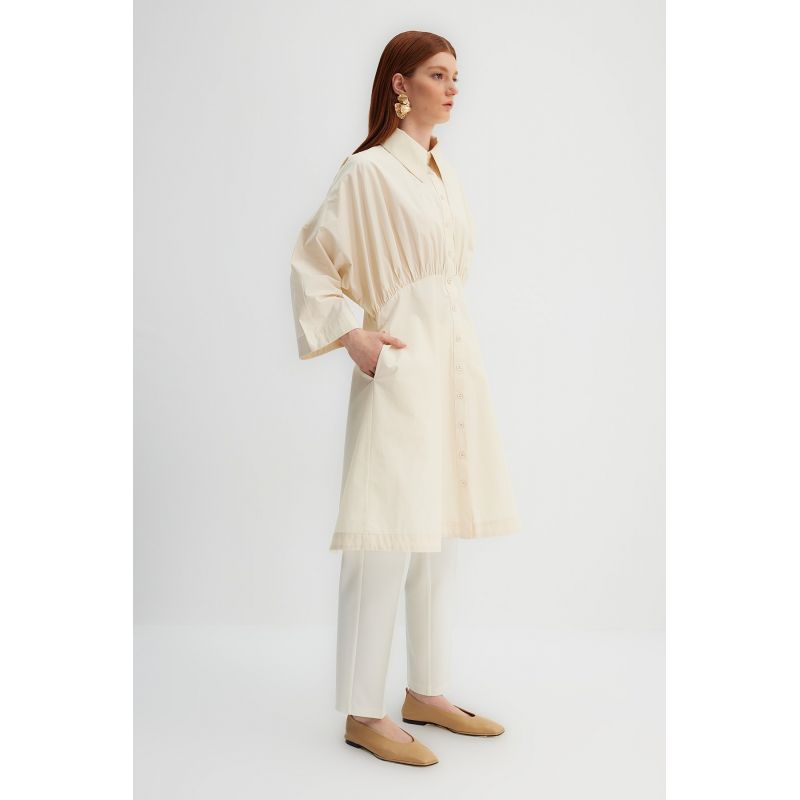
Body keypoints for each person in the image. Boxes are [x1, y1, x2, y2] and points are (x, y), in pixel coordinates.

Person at [289, 30, 521, 766]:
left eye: (456, 76)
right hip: (399, 364)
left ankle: (427, 690)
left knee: (434, 532)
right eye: (437, 74)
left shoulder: (440, 174)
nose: (453, 88)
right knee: (383, 532)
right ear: (400, 84)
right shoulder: (367, 171)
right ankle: (364, 711)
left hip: (450, 366)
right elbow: (313, 263)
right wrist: (352, 335)